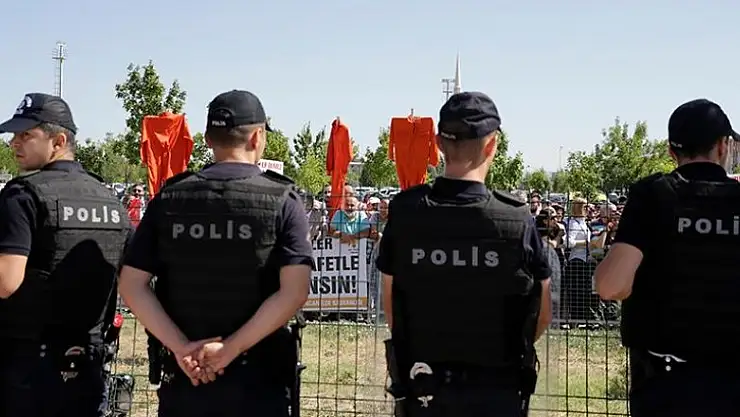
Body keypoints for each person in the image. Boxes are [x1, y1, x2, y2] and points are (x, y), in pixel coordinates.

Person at [117, 89, 314, 417]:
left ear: (208, 139)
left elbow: (131, 285)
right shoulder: (283, 200)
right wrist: (230, 348)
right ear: (257, 137)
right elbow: (295, 292)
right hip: (260, 381)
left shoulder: (170, 198)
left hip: (186, 377)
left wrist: (180, 347)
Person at [378, 91, 552, 417]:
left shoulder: (406, 212)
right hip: (496, 390)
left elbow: (391, 306)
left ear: (438, 144)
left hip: (424, 387)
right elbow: (541, 312)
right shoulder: (516, 219)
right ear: (492, 145)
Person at [594, 98, 740, 416]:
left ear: (671, 151)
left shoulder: (653, 196)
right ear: (723, 146)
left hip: (665, 386)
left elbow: (610, 285)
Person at [0, 93, 132, 417]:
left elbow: (5, 281)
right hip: (89, 360)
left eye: (26, 135)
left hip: (28, 364)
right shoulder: (110, 201)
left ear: (59, 141)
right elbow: (131, 281)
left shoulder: (22, 195)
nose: (14, 143)